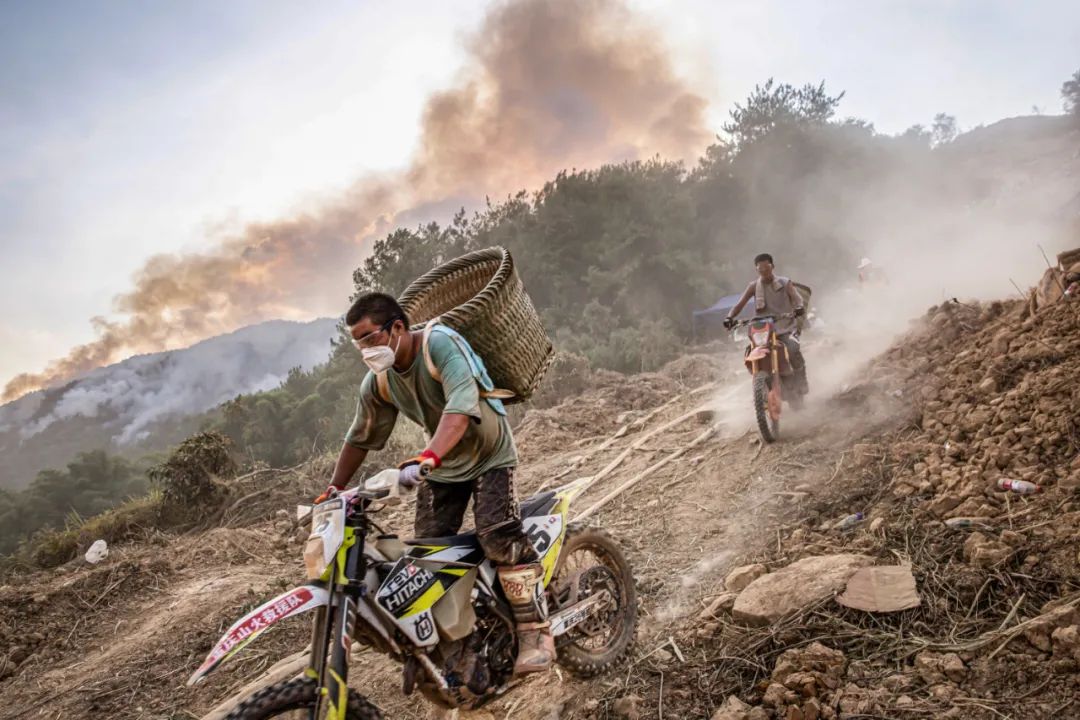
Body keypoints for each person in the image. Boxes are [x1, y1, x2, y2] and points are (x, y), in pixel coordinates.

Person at [320, 292, 555, 676]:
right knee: (428, 555)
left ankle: (534, 630)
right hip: (443, 465)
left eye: (369, 338)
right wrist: (334, 488)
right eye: (357, 342)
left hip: (488, 454)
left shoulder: (441, 344)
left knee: (497, 536)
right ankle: (461, 645)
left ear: (397, 327)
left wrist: (427, 456)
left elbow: (461, 408)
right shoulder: (380, 382)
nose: (364, 350)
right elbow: (360, 435)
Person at [722, 253, 808, 393]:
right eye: (760, 270)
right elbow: (739, 305)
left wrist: (799, 307)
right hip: (764, 329)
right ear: (757, 270)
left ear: (772, 267)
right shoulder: (754, 286)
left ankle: (802, 384)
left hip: (785, 326)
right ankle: (762, 384)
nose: (764, 272)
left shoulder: (785, 283)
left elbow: (798, 299)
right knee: (750, 351)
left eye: (766, 269)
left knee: (792, 349)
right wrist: (729, 317)